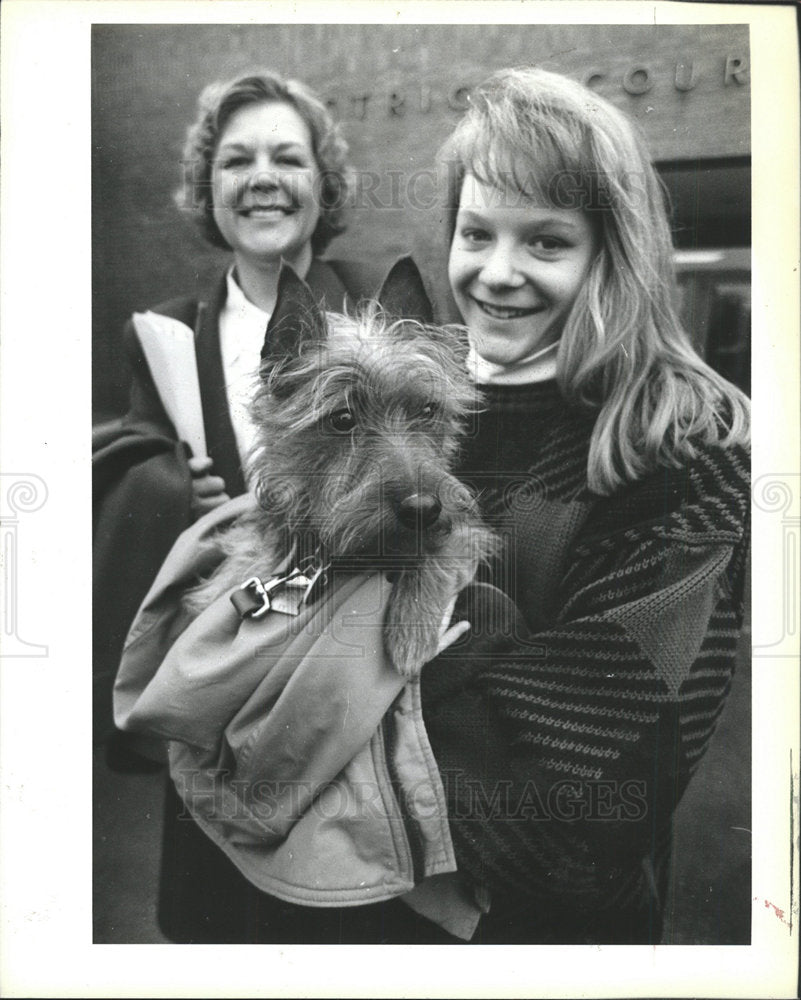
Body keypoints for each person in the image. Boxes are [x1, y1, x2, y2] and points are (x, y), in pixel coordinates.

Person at [414, 65, 751, 944]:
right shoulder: (420, 413)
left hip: (538, 939)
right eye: (475, 232)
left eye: (546, 242)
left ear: (614, 250)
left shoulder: (677, 452)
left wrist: (336, 751)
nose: (497, 273)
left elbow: (588, 804)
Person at [93, 70, 384, 750]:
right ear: (208, 190)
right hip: (219, 659)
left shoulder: (377, 309)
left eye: (287, 158)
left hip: (342, 657)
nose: (262, 178)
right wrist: (172, 489)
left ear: (324, 185)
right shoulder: (166, 334)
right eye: (235, 161)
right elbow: (136, 459)